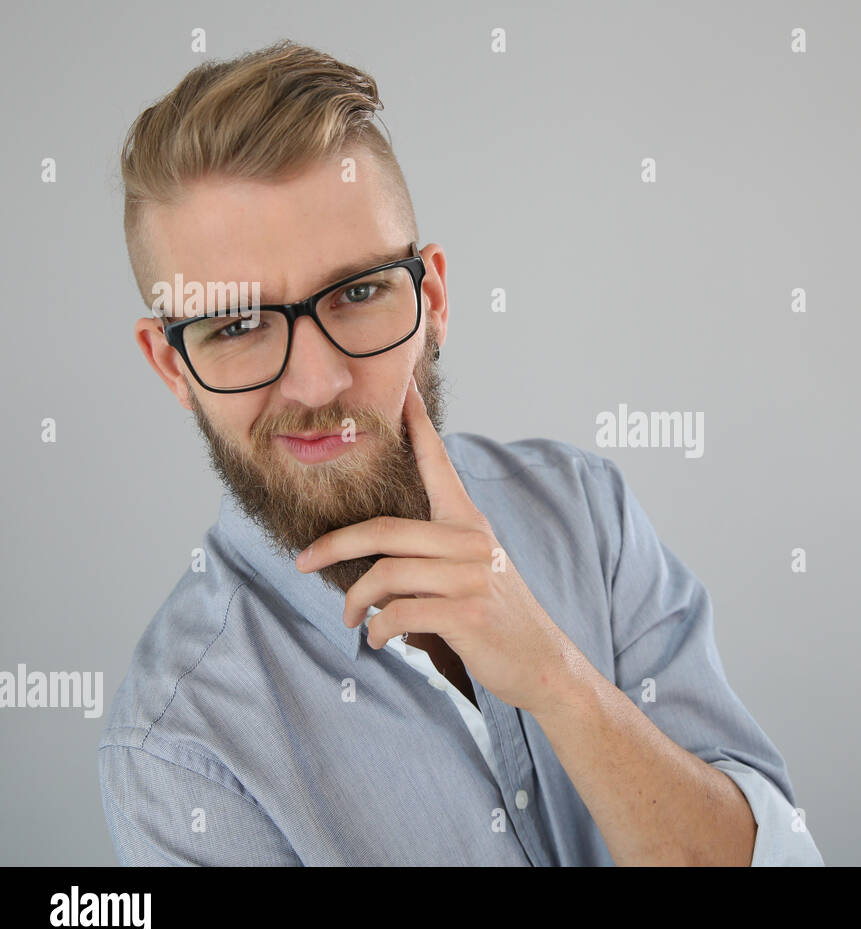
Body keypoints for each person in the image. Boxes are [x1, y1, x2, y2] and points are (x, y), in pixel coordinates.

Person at [99, 39, 824, 866]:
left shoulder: (586, 511)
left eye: (360, 292)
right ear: (171, 366)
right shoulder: (179, 755)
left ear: (433, 298)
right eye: (235, 326)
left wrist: (556, 681)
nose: (316, 380)